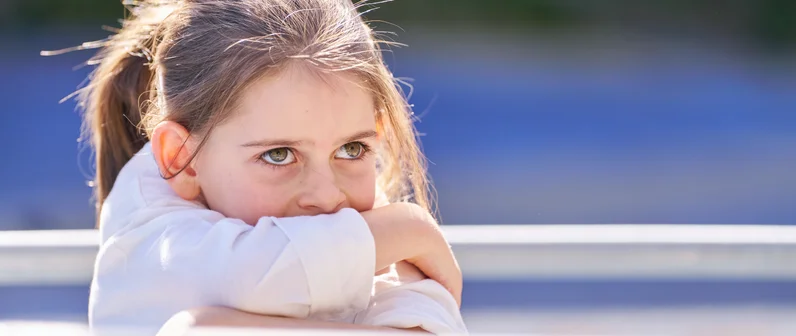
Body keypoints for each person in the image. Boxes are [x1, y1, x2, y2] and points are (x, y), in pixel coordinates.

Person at [46, 0, 466, 334]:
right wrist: (411, 229)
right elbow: (253, 275)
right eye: (278, 155)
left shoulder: (365, 223)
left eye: (352, 148)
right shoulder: (150, 230)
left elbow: (429, 318)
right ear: (181, 159)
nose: (327, 196)